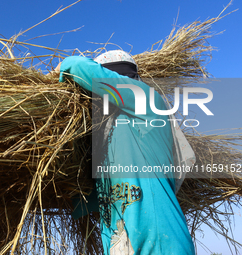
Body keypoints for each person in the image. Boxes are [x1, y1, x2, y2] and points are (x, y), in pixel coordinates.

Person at [54, 50, 196, 255]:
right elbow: (91, 202)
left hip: (161, 244)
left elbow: (79, 67)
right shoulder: (108, 142)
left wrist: (64, 66)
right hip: (125, 246)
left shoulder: (145, 99)